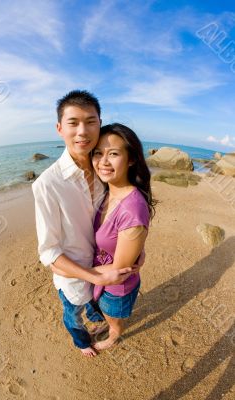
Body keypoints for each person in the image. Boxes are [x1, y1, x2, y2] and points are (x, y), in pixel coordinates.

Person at [32, 91, 138, 357]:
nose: (83, 131)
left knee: (95, 307)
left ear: (99, 124)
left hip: (105, 268)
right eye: (73, 122)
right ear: (59, 128)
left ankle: (97, 313)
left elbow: (119, 212)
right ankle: (81, 343)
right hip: (77, 279)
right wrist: (96, 275)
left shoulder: (103, 169)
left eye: (90, 122)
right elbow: (49, 254)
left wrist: (137, 245)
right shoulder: (48, 184)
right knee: (73, 315)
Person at [90, 123, 155, 350]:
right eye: (98, 153)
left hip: (116, 288)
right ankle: (108, 325)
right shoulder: (106, 190)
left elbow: (118, 274)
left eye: (114, 154)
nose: (103, 161)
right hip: (100, 275)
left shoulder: (133, 208)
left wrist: (71, 269)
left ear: (131, 159)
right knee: (105, 314)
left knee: (113, 316)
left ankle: (114, 335)